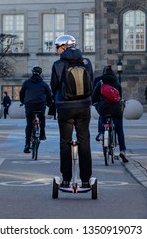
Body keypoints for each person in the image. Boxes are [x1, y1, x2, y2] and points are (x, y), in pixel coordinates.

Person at [50, 34, 94, 188]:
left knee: (65, 142)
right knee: (84, 141)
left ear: (64, 47)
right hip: (83, 106)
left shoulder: (58, 64)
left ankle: (67, 178)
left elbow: (53, 87)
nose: (56, 50)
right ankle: (86, 179)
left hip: (64, 107)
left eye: (57, 47)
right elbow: (92, 83)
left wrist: (52, 105)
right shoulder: (87, 62)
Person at [92, 66, 128, 163]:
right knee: (120, 130)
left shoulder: (100, 82)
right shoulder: (116, 82)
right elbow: (119, 96)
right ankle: (123, 151)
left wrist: (95, 103)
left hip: (104, 108)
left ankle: (101, 133)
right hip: (116, 109)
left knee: (102, 117)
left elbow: (94, 96)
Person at [19, 66, 52, 153]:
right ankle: (42, 134)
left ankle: (27, 144)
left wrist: (23, 101)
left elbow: (21, 94)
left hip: (29, 105)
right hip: (41, 105)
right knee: (42, 118)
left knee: (29, 124)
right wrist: (49, 103)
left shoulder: (26, 83)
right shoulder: (43, 84)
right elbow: (49, 95)